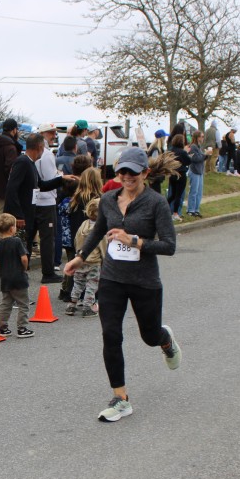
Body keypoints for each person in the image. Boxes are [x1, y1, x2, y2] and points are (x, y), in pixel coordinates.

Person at [63, 147, 182, 423]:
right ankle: (120, 398)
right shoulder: (107, 199)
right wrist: (80, 257)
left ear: (145, 173)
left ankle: (165, 339)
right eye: (122, 171)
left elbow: (169, 245)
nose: (127, 176)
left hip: (144, 281)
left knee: (149, 336)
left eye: (133, 172)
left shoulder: (156, 203)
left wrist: (134, 241)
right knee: (111, 335)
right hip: (112, 279)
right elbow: (97, 231)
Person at [4, 133, 75, 284]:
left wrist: (61, 179)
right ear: (39, 147)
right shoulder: (22, 162)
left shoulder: (31, 163)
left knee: (27, 243)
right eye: (43, 148)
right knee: (23, 245)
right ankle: (17, 277)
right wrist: (17, 214)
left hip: (30, 210)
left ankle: (22, 275)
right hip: (23, 213)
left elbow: (41, 185)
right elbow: (11, 188)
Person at [60, 165, 102, 301]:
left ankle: (69, 293)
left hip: (76, 236)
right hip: (92, 238)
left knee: (74, 266)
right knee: (93, 268)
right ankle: (90, 295)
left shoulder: (76, 198)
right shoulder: (98, 200)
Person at [0, 213, 34, 338]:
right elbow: (24, 258)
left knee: (6, 304)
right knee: (23, 304)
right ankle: (22, 328)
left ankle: (3, 328)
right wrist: (24, 268)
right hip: (18, 278)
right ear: (12, 228)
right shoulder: (17, 241)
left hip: (5, 279)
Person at [35, 123, 66, 280]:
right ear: (43, 134)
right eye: (51, 133)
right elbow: (48, 179)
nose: (54, 136)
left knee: (42, 237)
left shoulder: (43, 154)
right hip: (46, 200)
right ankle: (48, 272)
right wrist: (60, 177)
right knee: (48, 238)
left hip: (39, 199)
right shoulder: (46, 155)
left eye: (54, 133)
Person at [66, 198, 105, 318]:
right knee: (91, 285)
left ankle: (72, 304)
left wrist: (78, 254)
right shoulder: (100, 228)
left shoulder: (84, 224)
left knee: (78, 283)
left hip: (80, 259)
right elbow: (103, 245)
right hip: (94, 261)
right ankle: (87, 307)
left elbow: (76, 239)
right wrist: (105, 259)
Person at [0, 118, 19, 211]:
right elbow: (10, 169)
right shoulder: (11, 147)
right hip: (6, 188)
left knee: (2, 211)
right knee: (6, 215)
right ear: (14, 130)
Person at [167, 133, 193, 222]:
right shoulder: (182, 152)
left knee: (172, 195)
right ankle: (175, 213)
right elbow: (188, 161)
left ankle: (165, 208)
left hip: (172, 173)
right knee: (178, 195)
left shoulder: (170, 151)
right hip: (181, 174)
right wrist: (187, 153)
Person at [185, 130, 210, 218]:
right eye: (202, 137)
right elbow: (195, 159)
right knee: (194, 191)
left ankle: (196, 209)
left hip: (200, 171)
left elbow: (201, 158)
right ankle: (190, 209)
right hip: (194, 171)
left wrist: (206, 155)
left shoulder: (199, 147)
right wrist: (204, 155)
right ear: (197, 137)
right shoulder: (193, 147)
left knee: (199, 192)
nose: (203, 138)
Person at [146, 129, 168, 194]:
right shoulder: (156, 150)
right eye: (164, 137)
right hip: (154, 176)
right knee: (156, 193)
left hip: (154, 176)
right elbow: (154, 163)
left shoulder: (154, 148)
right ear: (162, 138)